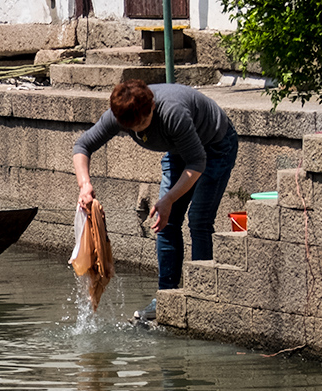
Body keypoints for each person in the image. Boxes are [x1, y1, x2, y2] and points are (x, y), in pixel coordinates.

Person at [72, 79, 239, 322]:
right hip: (179, 150)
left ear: (151, 107)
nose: (138, 132)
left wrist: (169, 199)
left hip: (215, 146)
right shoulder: (119, 115)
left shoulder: (172, 112)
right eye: (131, 128)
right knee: (165, 222)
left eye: (141, 124)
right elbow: (83, 145)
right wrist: (84, 185)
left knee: (199, 219)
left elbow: (197, 162)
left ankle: (202, 297)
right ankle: (166, 296)